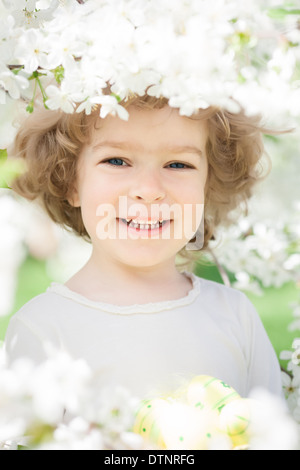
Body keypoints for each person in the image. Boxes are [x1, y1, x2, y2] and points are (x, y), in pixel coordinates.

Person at [4, 94, 283, 399]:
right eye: (116, 161)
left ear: (209, 185)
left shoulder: (234, 315)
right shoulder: (44, 329)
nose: (149, 190)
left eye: (178, 164)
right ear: (70, 180)